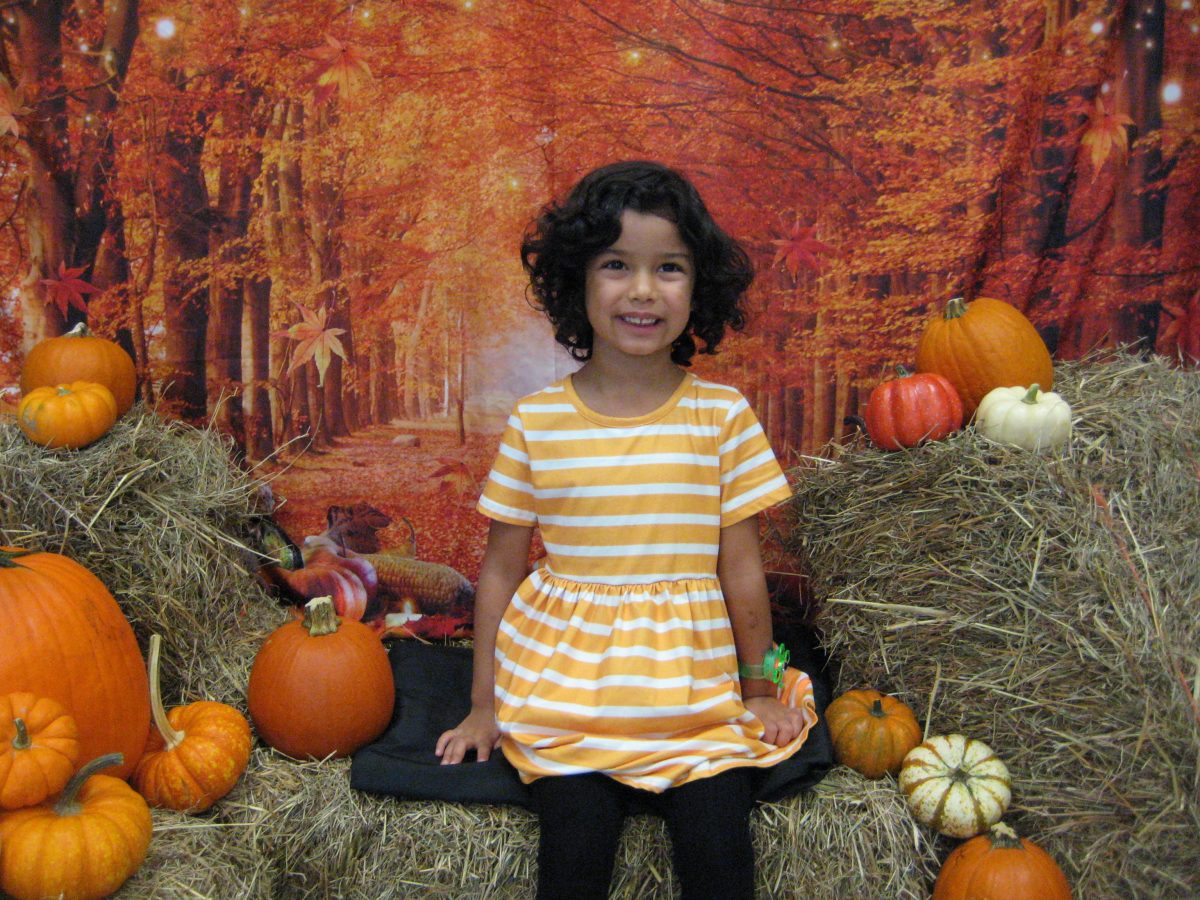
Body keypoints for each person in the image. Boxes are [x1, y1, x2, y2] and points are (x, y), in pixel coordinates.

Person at [435, 160, 819, 899]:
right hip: (569, 695)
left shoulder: (721, 417)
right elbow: (501, 571)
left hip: (695, 694)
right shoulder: (537, 423)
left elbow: (743, 570)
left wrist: (760, 689)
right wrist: (484, 707)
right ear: (576, 282)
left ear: (697, 287)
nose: (643, 290)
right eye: (616, 265)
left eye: (668, 267)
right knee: (572, 863)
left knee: (722, 860)